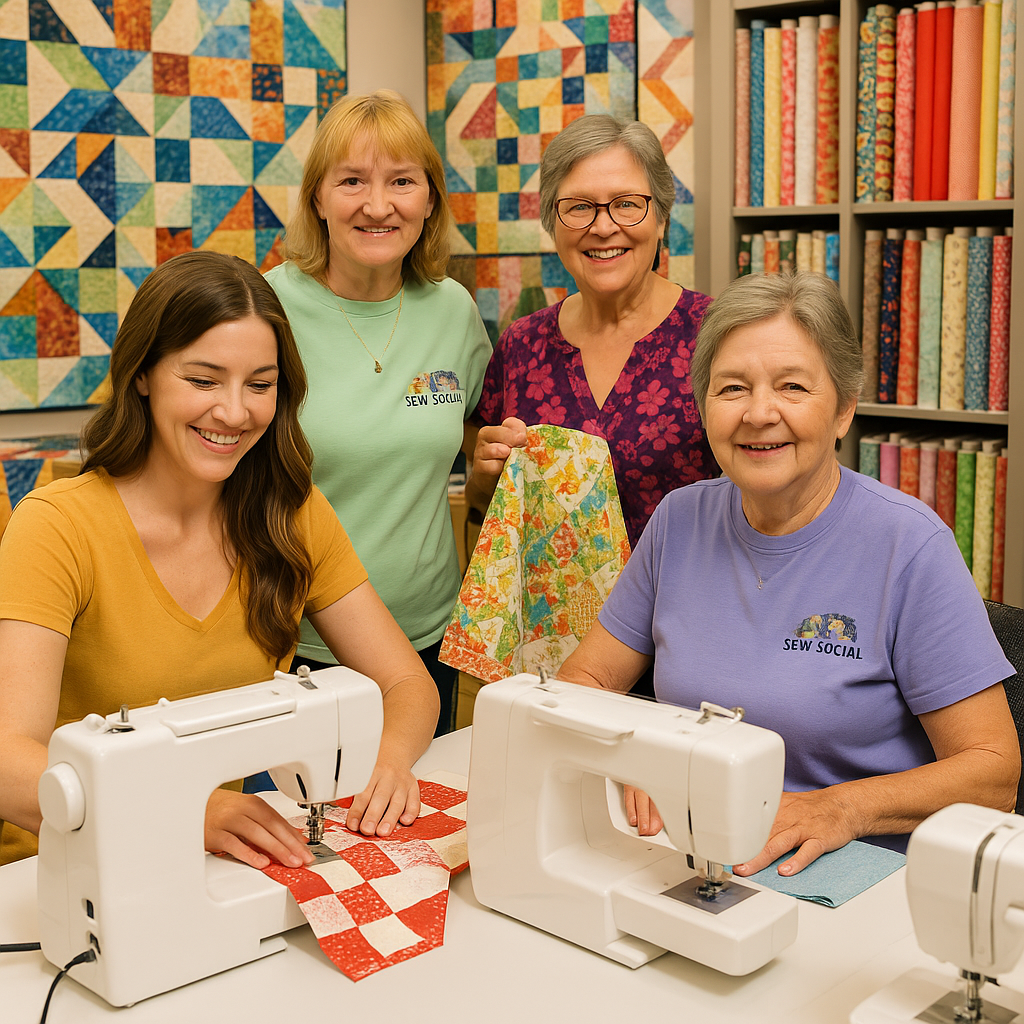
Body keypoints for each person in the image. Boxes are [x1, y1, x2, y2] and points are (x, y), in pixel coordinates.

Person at [558, 271, 1020, 876]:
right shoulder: (679, 520)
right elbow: (583, 678)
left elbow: (993, 773)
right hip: (694, 850)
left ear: (843, 409)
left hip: (857, 872)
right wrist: (640, 753)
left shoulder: (910, 545)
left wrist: (842, 808)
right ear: (704, 407)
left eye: (793, 386)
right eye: (731, 389)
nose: (759, 413)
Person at [0, 251, 440, 867]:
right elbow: (10, 760)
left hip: (209, 861)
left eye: (260, 384)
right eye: (203, 380)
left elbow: (405, 683)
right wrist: (182, 806)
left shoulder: (292, 514)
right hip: (58, 869)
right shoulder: (57, 528)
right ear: (143, 374)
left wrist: (389, 761)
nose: (235, 412)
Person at [266, 90, 491, 736]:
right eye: (352, 181)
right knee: (298, 830)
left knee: (414, 825)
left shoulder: (455, 311)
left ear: (429, 200)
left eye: (401, 182)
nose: (377, 204)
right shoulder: (269, 307)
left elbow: (479, 457)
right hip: (296, 643)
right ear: (317, 198)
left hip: (427, 638)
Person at [468, 114, 716, 550]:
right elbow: (485, 510)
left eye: (626, 203)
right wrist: (486, 477)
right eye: (579, 207)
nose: (603, 227)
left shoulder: (717, 334)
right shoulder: (521, 347)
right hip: (555, 617)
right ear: (552, 224)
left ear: (660, 218)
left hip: (685, 612)